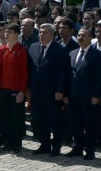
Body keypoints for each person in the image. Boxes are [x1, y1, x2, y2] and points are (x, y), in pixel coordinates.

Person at [27, 22, 70, 156]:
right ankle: (44, 144)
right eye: (40, 32)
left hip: (53, 92)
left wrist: (60, 90)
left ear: (52, 34)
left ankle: (56, 146)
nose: (41, 35)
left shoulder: (60, 50)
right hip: (36, 91)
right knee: (40, 120)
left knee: (55, 120)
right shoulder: (33, 47)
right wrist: (28, 88)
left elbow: (63, 72)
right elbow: (30, 69)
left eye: (45, 32)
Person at [66, 24, 101, 158]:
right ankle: (77, 147)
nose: (80, 37)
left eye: (83, 35)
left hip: (89, 97)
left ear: (90, 38)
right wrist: (66, 94)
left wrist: (96, 95)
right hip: (73, 96)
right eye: (79, 35)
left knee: (90, 125)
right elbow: (68, 76)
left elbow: (100, 77)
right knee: (75, 124)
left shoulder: (97, 55)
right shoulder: (72, 53)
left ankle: (90, 150)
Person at [0, 22, 30, 153]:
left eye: (9, 32)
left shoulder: (22, 51)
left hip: (15, 90)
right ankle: (8, 141)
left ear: (16, 35)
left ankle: (17, 143)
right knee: (5, 116)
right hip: (3, 88)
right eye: (6, 32)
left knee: (17, 117)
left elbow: (24, 72)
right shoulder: (1, 49)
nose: (6, 35)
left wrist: (22, 92)